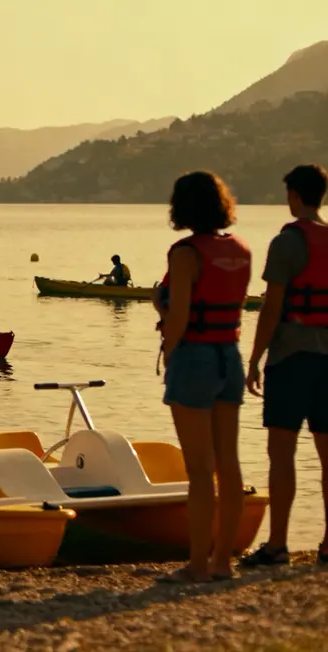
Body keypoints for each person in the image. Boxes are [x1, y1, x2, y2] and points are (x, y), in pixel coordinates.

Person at [152, 171, 250, 583]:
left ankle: (197, 565)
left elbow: (179, 316)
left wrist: (167, 343)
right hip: (229, 356)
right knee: (228, 463)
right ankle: (223, 562)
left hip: (194, 358)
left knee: (199, 469)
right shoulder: (240, 249)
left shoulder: (185, 253)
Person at [240, 164, 328, 567]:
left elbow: (272, 307)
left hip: (291, 357)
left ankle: (277, 544)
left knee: (281, 452)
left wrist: (254, 358)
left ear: (294, 195)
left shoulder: (287, 242)